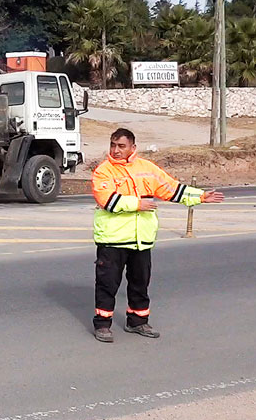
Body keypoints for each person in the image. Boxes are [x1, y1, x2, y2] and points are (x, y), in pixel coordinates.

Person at [90, 128, 224, 343]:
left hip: (141, 240)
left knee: (140, 283)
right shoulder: (103, 171)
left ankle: (138, 321)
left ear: (133, 147)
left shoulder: (147, 169)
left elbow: (171, 188)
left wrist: (200, 196)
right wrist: (137, 204)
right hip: (112, 240)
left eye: (121, 146)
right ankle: (103, 325)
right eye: (113, 145)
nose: (116, 150)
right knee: (107, 284)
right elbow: (105, 199)